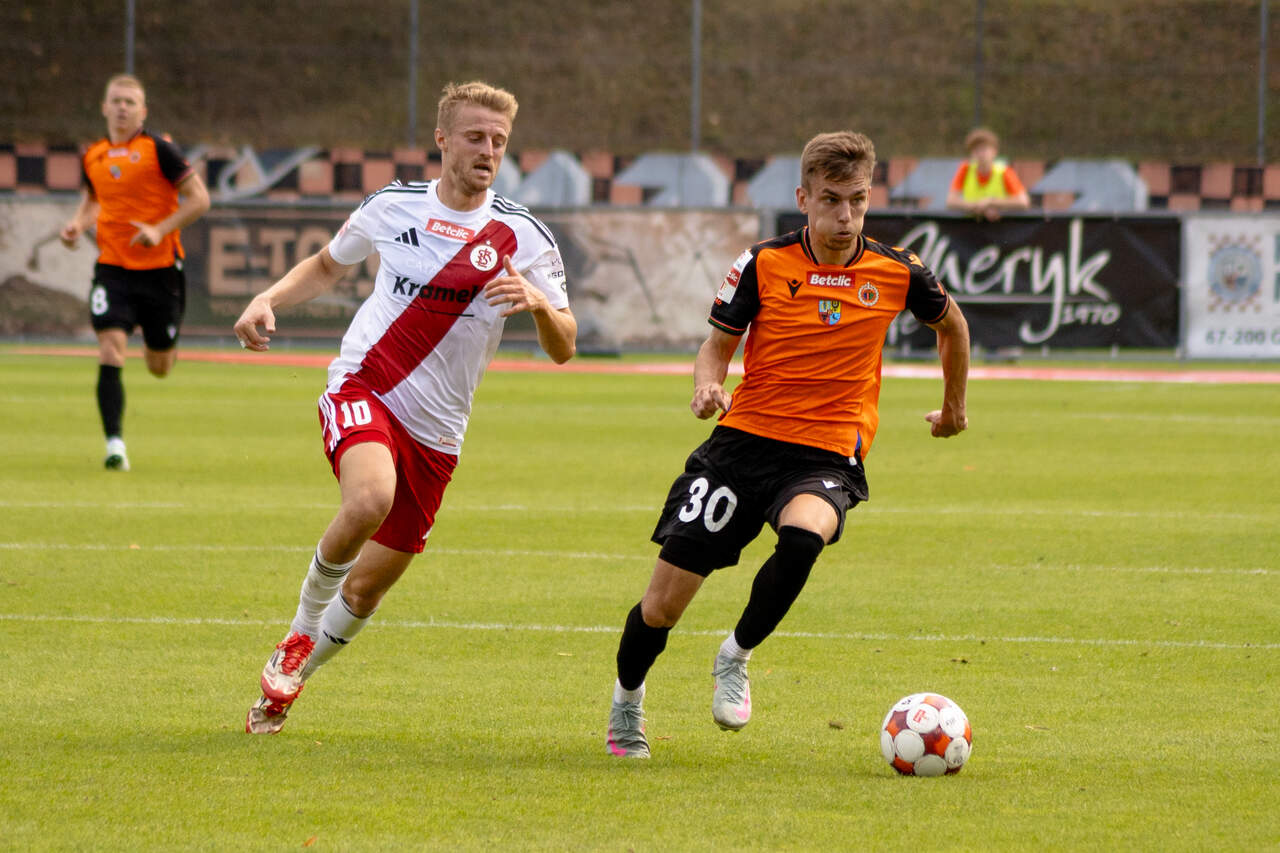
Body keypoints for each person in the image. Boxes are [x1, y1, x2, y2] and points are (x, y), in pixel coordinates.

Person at [605, 130, 969, 759]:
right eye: (831, 200)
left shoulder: (898, 270)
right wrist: (707, 386)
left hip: (827, 450)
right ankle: (627, 702)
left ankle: (735, 654)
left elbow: (953, 326)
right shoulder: (762, 263)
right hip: (742, 445)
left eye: (857, 200)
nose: (845, 216)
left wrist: (955, 407)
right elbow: (717, 345)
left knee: (804, 537)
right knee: (662, 607)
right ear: (804, 199)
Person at [233, 81, 577, 735]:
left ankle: (284, 688)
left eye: (499, 141)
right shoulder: (392, 206)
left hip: (439, 432)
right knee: (369, 499)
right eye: (475, 137)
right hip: (365, 385)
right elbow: (327, 265)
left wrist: (538, 303)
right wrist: (267, 299)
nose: (488, 150)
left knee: (366, 589)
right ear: (442, 139)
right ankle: (298, 633)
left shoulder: (524, 235)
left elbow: (565, 345)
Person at [60, 74, 211, 471]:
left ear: (143, 111)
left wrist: (159, 230)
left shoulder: (160, 149)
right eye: (116, 101)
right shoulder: (93, 155)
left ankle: (163, 344)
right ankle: (115, 446)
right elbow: (93, 200)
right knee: (110, 348)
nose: (122, 108)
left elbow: (200, 199)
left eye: (130, 102)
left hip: (161, 270)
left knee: (159, 367)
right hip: (113, 268)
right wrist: (77, 224)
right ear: (104, 107)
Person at [945, 127, 1030, 220]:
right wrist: (975, 207)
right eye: (976, 150)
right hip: (970, 224)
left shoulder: (1004, 172)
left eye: (984, 149)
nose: (980, 154)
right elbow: (951, 201)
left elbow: (1023, 202)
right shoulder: (965, 169)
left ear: (994, 151)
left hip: (999, 225)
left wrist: (991, 202)